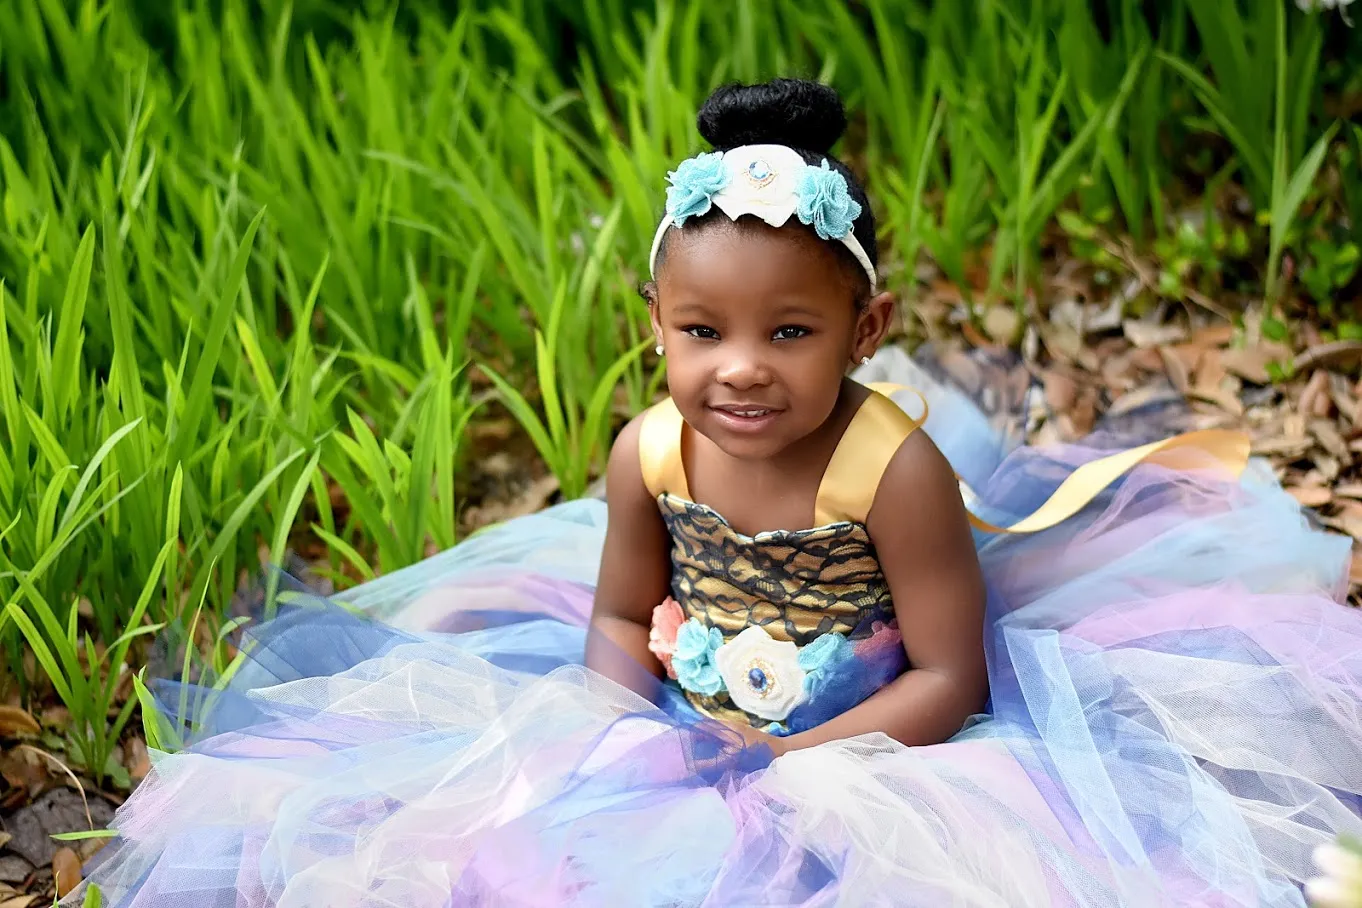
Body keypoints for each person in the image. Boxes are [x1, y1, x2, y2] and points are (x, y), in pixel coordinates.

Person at [68, 79, 1362, 908]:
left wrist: (791, 760)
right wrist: (623, 734)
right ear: (654, 326)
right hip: (686, 714)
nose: (738, 370)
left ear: (866, 330)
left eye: (789, 334)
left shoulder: (890, 471)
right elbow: (621, 616)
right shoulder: (648, 455)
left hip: (873, 730)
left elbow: (948, 678)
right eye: (701, 332)